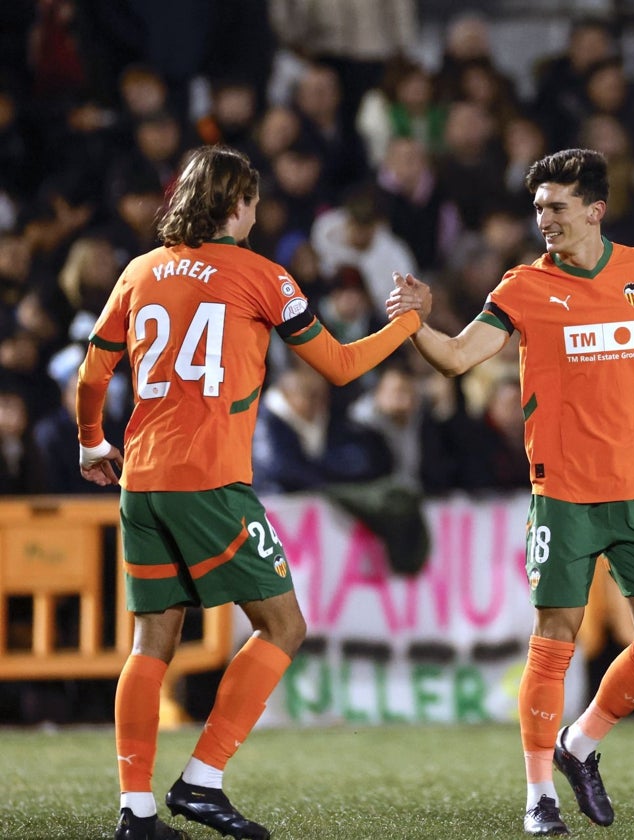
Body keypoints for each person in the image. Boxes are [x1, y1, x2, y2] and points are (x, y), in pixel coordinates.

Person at [388, 148, 634, 836]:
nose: (544, 219)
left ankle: (578, 744)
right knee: (556, 635)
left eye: (556, 207)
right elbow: (460, 355)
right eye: (538, 209)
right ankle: (538, 797)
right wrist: (417, 321)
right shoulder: (523, 286)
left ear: (594, 210)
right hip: (563, 495)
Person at [76, 145, 429, 840]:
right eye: (255, 201)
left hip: (141, 480)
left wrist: (93, 442)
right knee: (284, 625)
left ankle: (136, 812)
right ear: (236, 204)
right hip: (209, 482)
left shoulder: (141, 270)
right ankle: (202, 781)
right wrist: (409, 323)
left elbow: (92, 373)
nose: (258, 212)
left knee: (152, 642)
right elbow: (337, 365)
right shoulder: (262, 275)